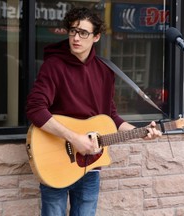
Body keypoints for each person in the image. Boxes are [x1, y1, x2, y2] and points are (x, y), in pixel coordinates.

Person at [26, 7, 162, 216]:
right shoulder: (54, 66)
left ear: (96, 36)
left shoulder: (105, 70)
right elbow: (35, 109)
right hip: (56, 161)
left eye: (83, 33)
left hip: (91, 166)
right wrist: (74, 138)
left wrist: (141, 132)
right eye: (73, 31)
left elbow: (111, 117)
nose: (76, 38)